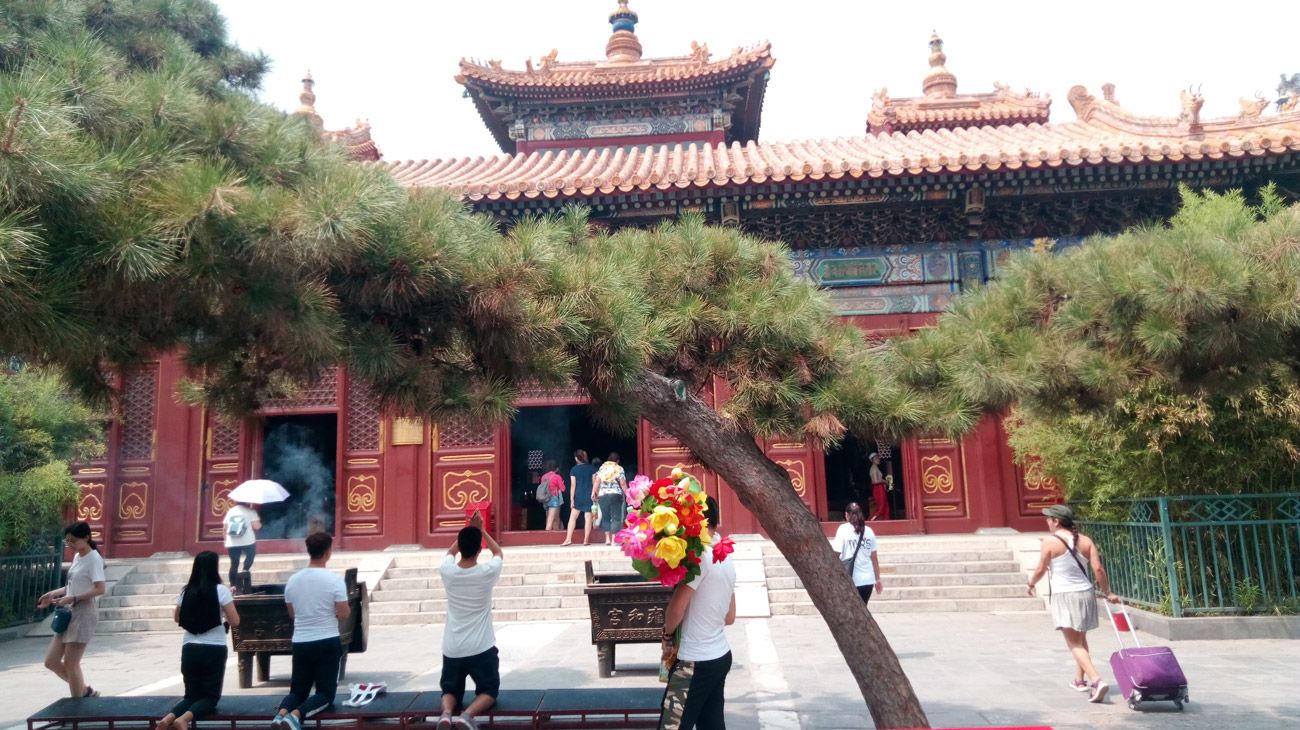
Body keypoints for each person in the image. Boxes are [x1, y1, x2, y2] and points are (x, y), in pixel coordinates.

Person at [1026, 504, 1120, 704]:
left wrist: (1031, 583)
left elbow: (1041, 569)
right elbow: (1098, 569)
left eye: (1048, 519)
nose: (1047, 522)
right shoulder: (1086, 541)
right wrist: (1108, 592)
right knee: (1081, 638)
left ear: (1056, 521)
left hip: (1064, 594)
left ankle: (1096, 681)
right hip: (1085, 593)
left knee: (1073, 642)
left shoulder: (1050, 542)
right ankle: (1079, 680)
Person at [659, 497, 737, 730]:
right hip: (719, 655)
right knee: (711, 725)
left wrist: (666, 635)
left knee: (671, 727)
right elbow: (730, 617)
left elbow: (676, 611)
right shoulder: (725, 557)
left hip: (693, 662)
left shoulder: (699, 558)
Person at [272, 532, 350, 730]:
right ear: (328, 552)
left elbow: (292, 613)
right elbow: (343, 613)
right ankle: (296, 716)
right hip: (326, 639)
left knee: (298, 690)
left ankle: (281, 715)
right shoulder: (334, 580)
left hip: (300, 640)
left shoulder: (293, 580)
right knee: (325, 693)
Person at [435, 510, 504, 730]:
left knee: (450, 690)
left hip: (452, 646)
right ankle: (467, 715)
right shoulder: (485, 573)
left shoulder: (447, 572)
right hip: (481, 646)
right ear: (478, 549)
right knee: (489, 690)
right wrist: (481, 530)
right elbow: (498, 553)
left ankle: (446, 713)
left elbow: (449, 552)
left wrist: (468, 531)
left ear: (461, 547)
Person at [157, 551, 241, 730]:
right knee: (210, 698)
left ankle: (168, 718)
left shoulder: (186, 591)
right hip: (214, 648)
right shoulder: (221, 590)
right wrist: (224, 614)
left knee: (190, 696)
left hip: (189, 648)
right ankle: (183, 720)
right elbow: (235, 621)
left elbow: (177, 617)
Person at [37, 521, 106, 698]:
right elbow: (72, 585)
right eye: (68, 541)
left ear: (86, 538)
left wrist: (74, 598)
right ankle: (84, 691)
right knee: (51, 661)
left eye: (73, 541)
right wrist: (53, 594)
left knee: (71, 663)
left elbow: (100, 588)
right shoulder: (77, 557)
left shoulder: (94, 559)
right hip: (68, 612)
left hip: (83, 613)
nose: (71, 545)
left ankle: (78, 706)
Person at [832, 502, 883, 604]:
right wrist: (877, 579)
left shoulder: (843, 529)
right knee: (863, 608)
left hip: (851, 578)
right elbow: (874, 559)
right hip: (868, 580)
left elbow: (836, 555)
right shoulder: (869, 531)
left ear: (846, 515)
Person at [561, 450, 597, 546]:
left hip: (578, 495)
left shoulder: (574, 469)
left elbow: (573, 485)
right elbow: (594, 483)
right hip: (589, 495)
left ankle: (568, 539)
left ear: (576, 459)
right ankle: (586, 540)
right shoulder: (592, 468)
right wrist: (595, 494)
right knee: (588, 517)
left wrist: (572, 499)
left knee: (572, 518)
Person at [222, 501, 261, 591]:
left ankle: (233, 586)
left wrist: (226, 541)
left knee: (234, 564)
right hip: (248, 541)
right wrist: (259, 522)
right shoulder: (251, 511)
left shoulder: (230, 511)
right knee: (249, 557)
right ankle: (244, 572)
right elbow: (257, 526)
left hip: (232, 541)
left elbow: (225, 528)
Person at [593, 452, 628, 546]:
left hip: (603, 495)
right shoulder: (619, 468)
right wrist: (628, 494)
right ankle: (613, 540)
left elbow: (597, 481)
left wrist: (593, 492)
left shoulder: (602, 468)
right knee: (616, 517)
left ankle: (607, 539)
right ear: (617, 461)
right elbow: (623, 483)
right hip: (615, 494)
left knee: (606, 517)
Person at [539, 459, 565, 532]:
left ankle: (553, 536)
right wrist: (562, 483)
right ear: (556, 468)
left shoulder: (543, 477)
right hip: (553, 499)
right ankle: (552, 538)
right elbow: (563, 489)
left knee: (548, 518)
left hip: (545, 499)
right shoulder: (557, 477)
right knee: (554, 519)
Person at [867, 453, 889, 521]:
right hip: (878, 488)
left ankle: (887, 523)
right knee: (881, 508)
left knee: (886, 508)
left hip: (881, 488)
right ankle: (870, 521)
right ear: (872, 460)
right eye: (876, 458)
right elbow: (874, 482)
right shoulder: (873, 469)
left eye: (878, 458)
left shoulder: (876, 468)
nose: (878, 459)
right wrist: (884, 481)